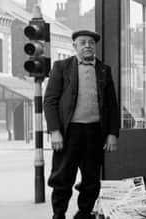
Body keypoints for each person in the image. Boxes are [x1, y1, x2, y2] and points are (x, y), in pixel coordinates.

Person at [44, 29, 120, 219]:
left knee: (92, 179)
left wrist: (112, 133)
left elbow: (111, 104)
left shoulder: (104, 70)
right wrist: (54, 131)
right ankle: (58, 214)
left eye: (91, 43)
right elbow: (50, 101)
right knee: (62, 177)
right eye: (83, 42)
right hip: (68, 133)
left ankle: (84, 214)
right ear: (75, 46)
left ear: (95, 47)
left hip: (94, 133)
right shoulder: (62, 67)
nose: (87, 45)